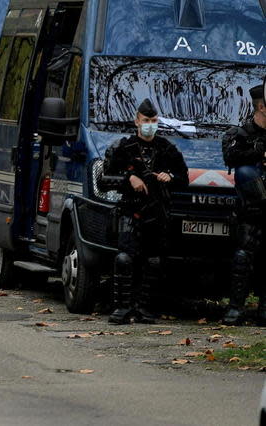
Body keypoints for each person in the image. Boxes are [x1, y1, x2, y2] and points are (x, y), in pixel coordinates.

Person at [100, 99, 189, 324]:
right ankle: (122, 307)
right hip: (130, 209)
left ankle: (144, 308)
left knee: (154, 261)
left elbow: (183, 179)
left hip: (157, 212)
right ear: (137, 121)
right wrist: (129, 178)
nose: (150, 124)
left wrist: (170, 177)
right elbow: (104, 180)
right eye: (146, 120)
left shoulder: (167, 149)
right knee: (124, 258)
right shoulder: (123, 148)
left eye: (153, 120)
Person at [221, 84, 266, 325]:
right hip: (249, 211)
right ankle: (235, 307)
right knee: (242, 257)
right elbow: (230, 156)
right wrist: (257, 151)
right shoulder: (240, 134)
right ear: (261, 106)